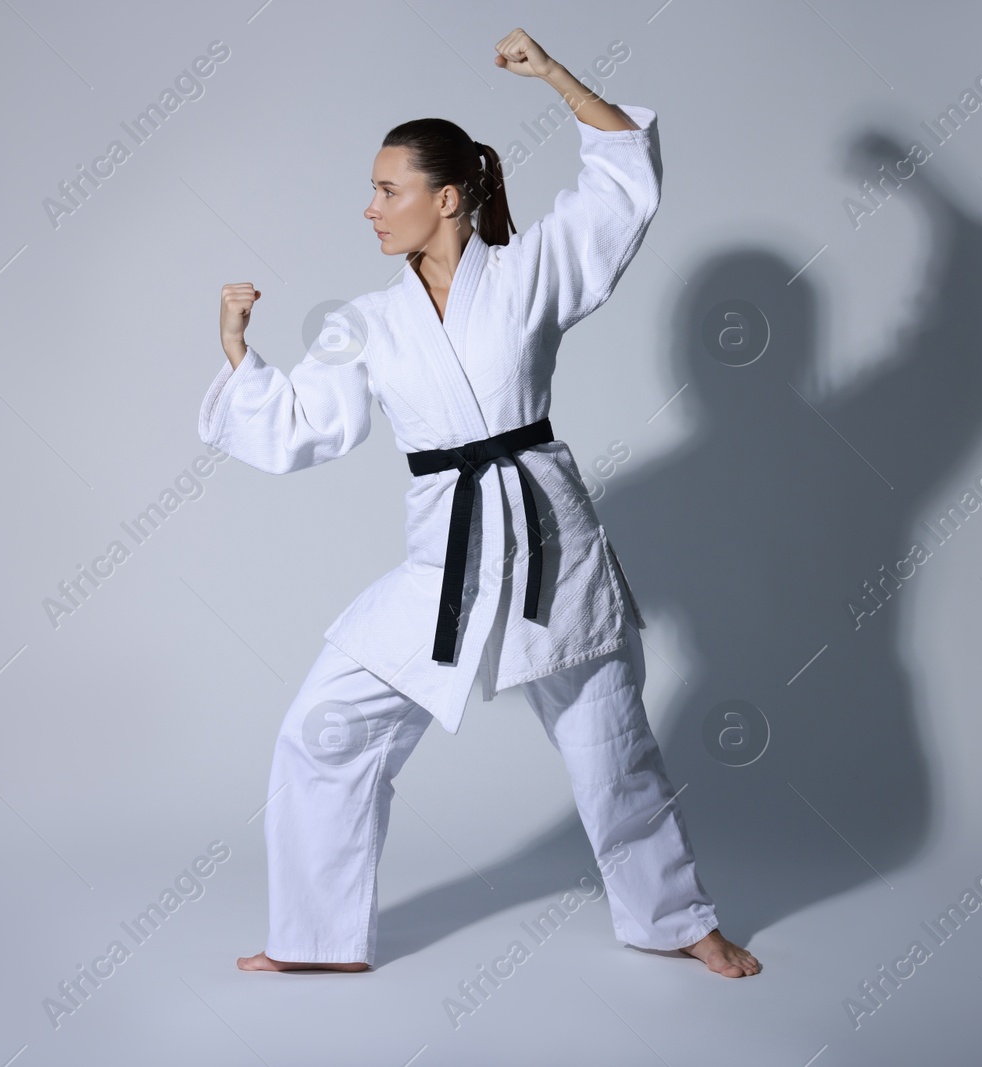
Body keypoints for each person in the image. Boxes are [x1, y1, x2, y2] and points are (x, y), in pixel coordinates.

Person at [201, 27, 759, 979]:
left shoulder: (532, 271)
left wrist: (551, 75)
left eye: (388, 189)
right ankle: (318, 938)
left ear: (446, 197)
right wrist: (235, 348)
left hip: (551, 544)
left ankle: (675, 919)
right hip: (443, 564)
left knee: (612, 751)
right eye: (373, 190)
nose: (369, 208)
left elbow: (621, 183)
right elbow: (303, 424)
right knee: (324, 726)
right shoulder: (365, 322)